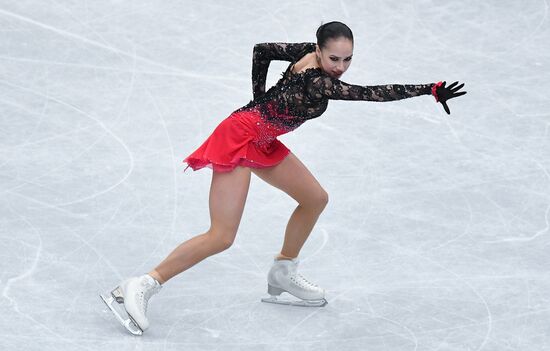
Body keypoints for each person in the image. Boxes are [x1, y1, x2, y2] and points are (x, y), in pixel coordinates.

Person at [100, 21, 467, 335]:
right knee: (222, 235)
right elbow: (371, 94)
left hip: (263, 138)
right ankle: (142, 284)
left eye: (348, 59)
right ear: (320, 52)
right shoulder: (319, 83)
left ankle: (283, 271)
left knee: (315, 199)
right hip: (240, 136)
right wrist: (428, 89)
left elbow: (262, 51)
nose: (340, 67)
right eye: (334, 58)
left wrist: (258, 99)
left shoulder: (308, 52)